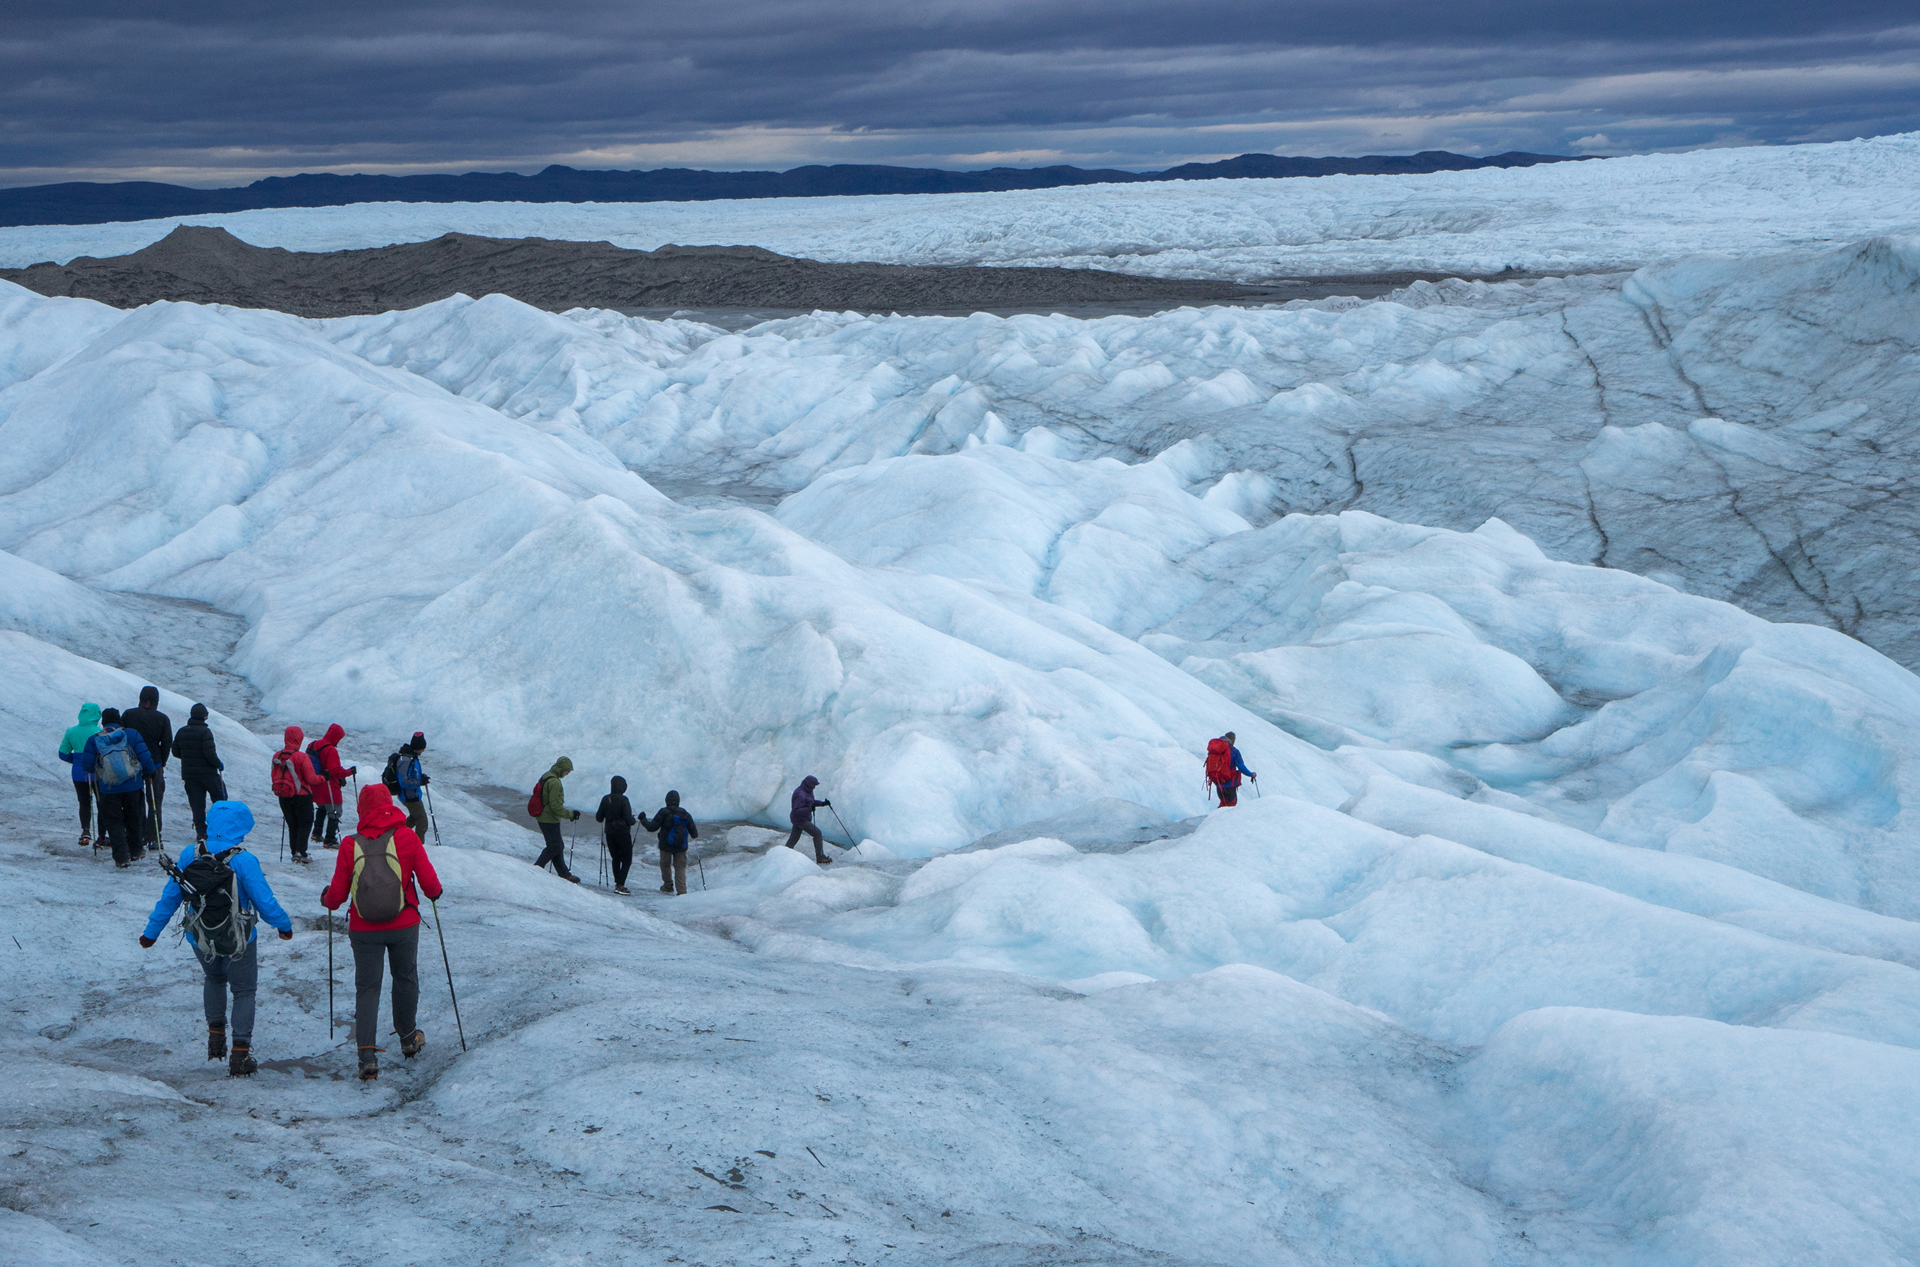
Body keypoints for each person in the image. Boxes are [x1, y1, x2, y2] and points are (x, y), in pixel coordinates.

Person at [138, 799, 293, 1076]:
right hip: (239, 938)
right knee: (244, 991)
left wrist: (151, 932)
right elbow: (264, 901)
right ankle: (240, 1055)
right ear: (242, 826)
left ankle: (216, 1038)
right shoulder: (244, 860)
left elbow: (171, 897)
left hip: (201, 936)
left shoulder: (190, 854)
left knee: (214, 978)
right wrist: (283, 925)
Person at [321, 784, 443, 1081]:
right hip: (404, 925)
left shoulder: (351, 844)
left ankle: (366, 1056)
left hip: (364, 928)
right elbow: (431, 885)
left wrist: (327, 899)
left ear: (363, 809)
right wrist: (435, 893)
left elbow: (336, 896)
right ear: (389, 805)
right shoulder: (407, 837)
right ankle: (409, 1038)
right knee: (404, 977)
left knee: (368, 987)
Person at [82, 708, 157, 868]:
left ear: (104, 722)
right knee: (134, 818)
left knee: (114, 822)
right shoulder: (132, 734)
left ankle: (122, 857)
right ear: (120, 720)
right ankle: (136, 851)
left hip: (108, 789)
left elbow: (87, 766)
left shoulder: (94, 739)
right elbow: (144, 755)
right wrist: (151, 771)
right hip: (133, 785)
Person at [122, 686, 173, 847]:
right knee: (154, 800)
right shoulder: (162, 719)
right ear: (154, 701)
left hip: (131, 763)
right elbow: (166, 743)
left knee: (134, 800)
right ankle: (153, 836)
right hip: (154, 763)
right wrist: (162, 762)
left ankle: (137, 833)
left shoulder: (129, 715)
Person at [270, 725, 326, 864]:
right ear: (299, 739)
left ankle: (294, 851)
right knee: (305, 823)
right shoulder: (301, 756)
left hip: (283, 795)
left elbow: (274, 775)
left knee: (292, 824)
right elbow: (311, 779)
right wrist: (324, 777)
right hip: (302, 795)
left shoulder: (277, 755)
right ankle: (300, 853)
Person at [173, 703, 227, 844]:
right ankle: (218, 829)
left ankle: (201, 833)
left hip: (190, 775)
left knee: (197, 805)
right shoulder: (205, 732)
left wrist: (188, 758)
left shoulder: (182, 732)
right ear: (204, 716)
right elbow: (210, 753)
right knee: (219, 799)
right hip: (208, 774)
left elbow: (175, 752)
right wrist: (218, 764)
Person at [57, 701, 103, 848]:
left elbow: (63, 754)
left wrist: (77, 760)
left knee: (84, 802)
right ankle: (102, 835)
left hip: (78, 773)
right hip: (97, 772)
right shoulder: (99, 732)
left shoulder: (71, 732)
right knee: (101, 802)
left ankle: (85, 830)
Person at [306, 723, 356, 850]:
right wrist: (349, 772)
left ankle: (316, 833)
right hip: (328, 785)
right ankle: (330, 839)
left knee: (321, 806)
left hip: (315, 783)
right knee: (335, 811)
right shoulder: (331, 750)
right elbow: (335, 771)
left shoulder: (312, 744)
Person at [532, 756, 582, 883]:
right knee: (554, 846)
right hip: (549, 818)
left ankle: (564, 874)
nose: (568, 773)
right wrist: (570, 815)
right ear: (561, 769)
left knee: (557, 845)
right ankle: (537, 868)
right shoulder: (555, 782)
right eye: (567, 770)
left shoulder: (546, 776)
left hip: (543, 816)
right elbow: (555, 806)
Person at [642, 790, 699, 895]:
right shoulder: (685, 813)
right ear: (678, 801)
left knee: (665, 865)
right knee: (680, 867)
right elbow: (694, 833)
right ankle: (681, 890)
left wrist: (643, 820)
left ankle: (668, 885)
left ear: (666, 800)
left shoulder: (663, 812)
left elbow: (651, 828)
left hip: (665, 845)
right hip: (681, 846)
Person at [596, 775, 637, 895]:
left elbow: (599, 818)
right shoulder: (624, 800)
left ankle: (618, 883)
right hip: (623, 834)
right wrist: (634, 820)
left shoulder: (605, 799)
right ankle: (620, 885)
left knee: (616, 859)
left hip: (609, 833)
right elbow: (629, 819)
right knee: (627, 859)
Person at [784, 775, 832, 865]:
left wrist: (822, 803)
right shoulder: (801, 794)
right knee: (817, 833)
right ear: (809, 784)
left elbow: (810, 802)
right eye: (814, 785)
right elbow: (797, 810)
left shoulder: (807, 791)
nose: (814, 787)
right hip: (800, 820)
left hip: (798, 819)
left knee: (794, 837)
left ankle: (784, 853)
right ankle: (820, 857)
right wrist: (809, 809)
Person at [393, 733, 431, 842]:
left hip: (413, 795)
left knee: (414, 818)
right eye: (423, 747)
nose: (424, 750)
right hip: (409, 796)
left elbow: (412, 774)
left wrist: (421, 778)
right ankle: (418, 845)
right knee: (422, 821)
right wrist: (419, 782)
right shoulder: (406, 760)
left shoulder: (412, 757)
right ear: (418, 747)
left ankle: (396, 836)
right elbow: (404, 782)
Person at [1206, 731, 1257, 807]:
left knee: (1223, 804)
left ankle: (1217, 818)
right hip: (1229, 784)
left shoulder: (1217, 751)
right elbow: (1241, 767)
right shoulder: (1234, 752)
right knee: (1231, 806)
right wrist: (1251, 774)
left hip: (1218, 784)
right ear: (1233, 740)